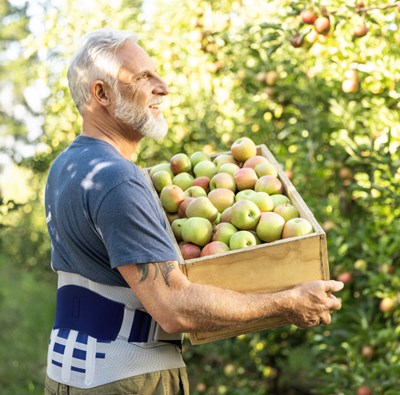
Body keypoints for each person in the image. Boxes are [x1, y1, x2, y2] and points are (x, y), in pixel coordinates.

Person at [44, 28, 343, 395]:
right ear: (101, 93)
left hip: (69, 375)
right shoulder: (119, 180)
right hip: (128, 378)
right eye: (143, 77)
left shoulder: (67, 167)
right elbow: (174, 309)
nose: (163, 87)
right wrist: (287, 303)